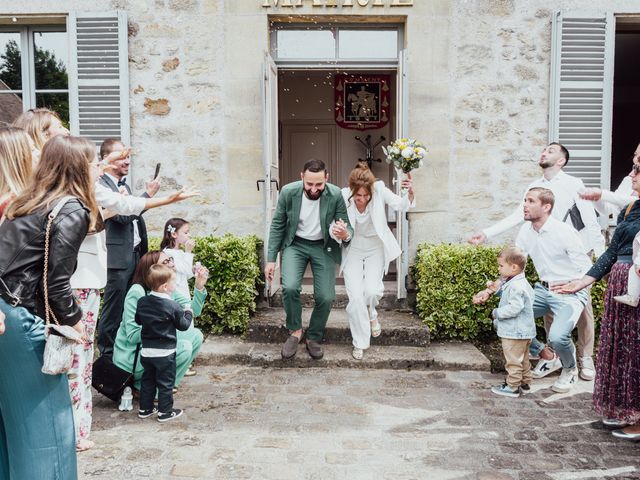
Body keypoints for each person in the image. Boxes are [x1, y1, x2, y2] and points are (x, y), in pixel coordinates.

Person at [0, 134, 100, 479]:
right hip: (20, 319)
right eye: (92, 161)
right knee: (49, 430)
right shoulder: (71, 209)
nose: (97, 167)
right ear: (79, 167)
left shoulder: (26, 203)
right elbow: (57, 283)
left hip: (4, 315)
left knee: (12, 430)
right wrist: (76, 323)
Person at [469, 143, 602, 382]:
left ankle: (585, 358)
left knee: (583, 313)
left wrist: (598, 257)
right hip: (544, 257)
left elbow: (590, 219)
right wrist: (487, 233)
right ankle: (554, 356)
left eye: (551, 151)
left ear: (561, 160)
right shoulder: (534, 188)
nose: (544, 152)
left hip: (573, 256)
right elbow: (517, 216)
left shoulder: (574, 183)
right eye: (543, 150)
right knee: (546, 313)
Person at [553, 162, 640, 440]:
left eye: (638, 170)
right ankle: (627, 409)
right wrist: (583, 280)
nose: (630, 175)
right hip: (620, 283)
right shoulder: (630, 208)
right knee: (622, 350)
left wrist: (601, 194)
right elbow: (613, 251)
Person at [264, 159, 353, 360]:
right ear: (302, 177)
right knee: (290, 287)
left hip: (323, 246)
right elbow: (278, 225)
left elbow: (346, 226)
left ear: (326, 178)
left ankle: (313, 336)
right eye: (310, 184)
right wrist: (271, 259)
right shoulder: (288, 192)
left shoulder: (335, 194)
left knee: (326, 296)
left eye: (319, 184)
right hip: (295, 244)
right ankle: (295, 331)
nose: (314, 189)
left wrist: (344, 233)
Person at [339, 163, 414, 360]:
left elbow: (401, 205)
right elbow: (334, 222)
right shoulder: (342, 194)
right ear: (351, 191)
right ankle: (360, 342)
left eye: (366, 196)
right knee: (355, 298)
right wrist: (339, 232)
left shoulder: (379, 189)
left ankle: (372, 314)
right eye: (358, 196)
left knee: (371, 292)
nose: (362, 199)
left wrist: (409, 192)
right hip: (352, 247)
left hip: (375, 247)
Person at [97, 138, 159, 357]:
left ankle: (127, 353)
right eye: (121, 156)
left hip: (134, 255)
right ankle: (107, 357)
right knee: (114, 310)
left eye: (128, 156)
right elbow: (123, 217)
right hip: (117, 258)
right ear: (107, 159)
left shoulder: (124, 186)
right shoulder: (101, 186)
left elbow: (133, 218)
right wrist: (147, 196)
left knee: (132, 306)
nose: (127, 161)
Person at [112, 251, 208, 390]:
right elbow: (132, 336)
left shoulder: (167, 289)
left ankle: (166, 386)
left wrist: (199, 286)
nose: (171, 264)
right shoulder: (137, 292)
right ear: (152, 270)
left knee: (196, 336)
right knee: (184, 348)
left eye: (170, 260)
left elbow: (193, 310)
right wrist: (163, 327)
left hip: (154, 344)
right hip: (133, 357)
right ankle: (145, 388)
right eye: (165, 262)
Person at [473, 247, 536, 397]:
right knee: (524, 359)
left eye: (501, 266)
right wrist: (492, 290)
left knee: (513, 360)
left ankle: (512, 386)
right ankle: (525, 383)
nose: (498, 269)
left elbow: (515, 307)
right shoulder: (518, 282)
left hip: (514, 331)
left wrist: (496, 313)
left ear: (513, 267)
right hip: (523, 331)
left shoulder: (516, 285)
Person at [136, 264, 192, 422]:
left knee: (148, 381)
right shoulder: (172, 305)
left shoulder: (142, 302)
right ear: (166, 287)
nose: (176, 285)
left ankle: (145, 409)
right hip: (165, 353)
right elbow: (183, 325)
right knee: (166, 383)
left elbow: (138, 320)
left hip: (146, 352)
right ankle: (165, 412)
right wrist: (188, 312)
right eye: (174, 282)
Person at [161, 218, 196, 298]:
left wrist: (193, 270)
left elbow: (185, 275)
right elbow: (186, 269)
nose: (189, 235)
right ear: (174, 234)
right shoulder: (168, 254)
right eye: (186, 232)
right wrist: (188, 251)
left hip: (184, 291)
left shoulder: (180, 252)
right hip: (176, 295)